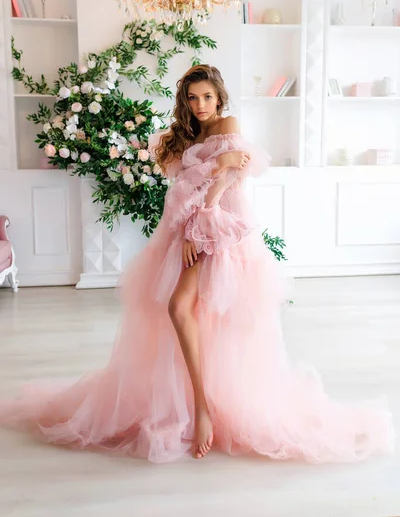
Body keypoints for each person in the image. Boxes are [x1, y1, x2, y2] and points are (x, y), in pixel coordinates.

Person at [0, 65, 395, 463]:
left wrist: (204, 212)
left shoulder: (228, 123)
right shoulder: (190, 133)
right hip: (189, 227)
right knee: (181, 312)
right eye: (192, 98)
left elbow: (231, 176)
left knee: (180, 307)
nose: (200, 105)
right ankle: (194, 405)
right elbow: (184, 182)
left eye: (207, 96)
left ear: (219, 97)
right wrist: (189, 222)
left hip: (221, 228)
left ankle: (205, 407)